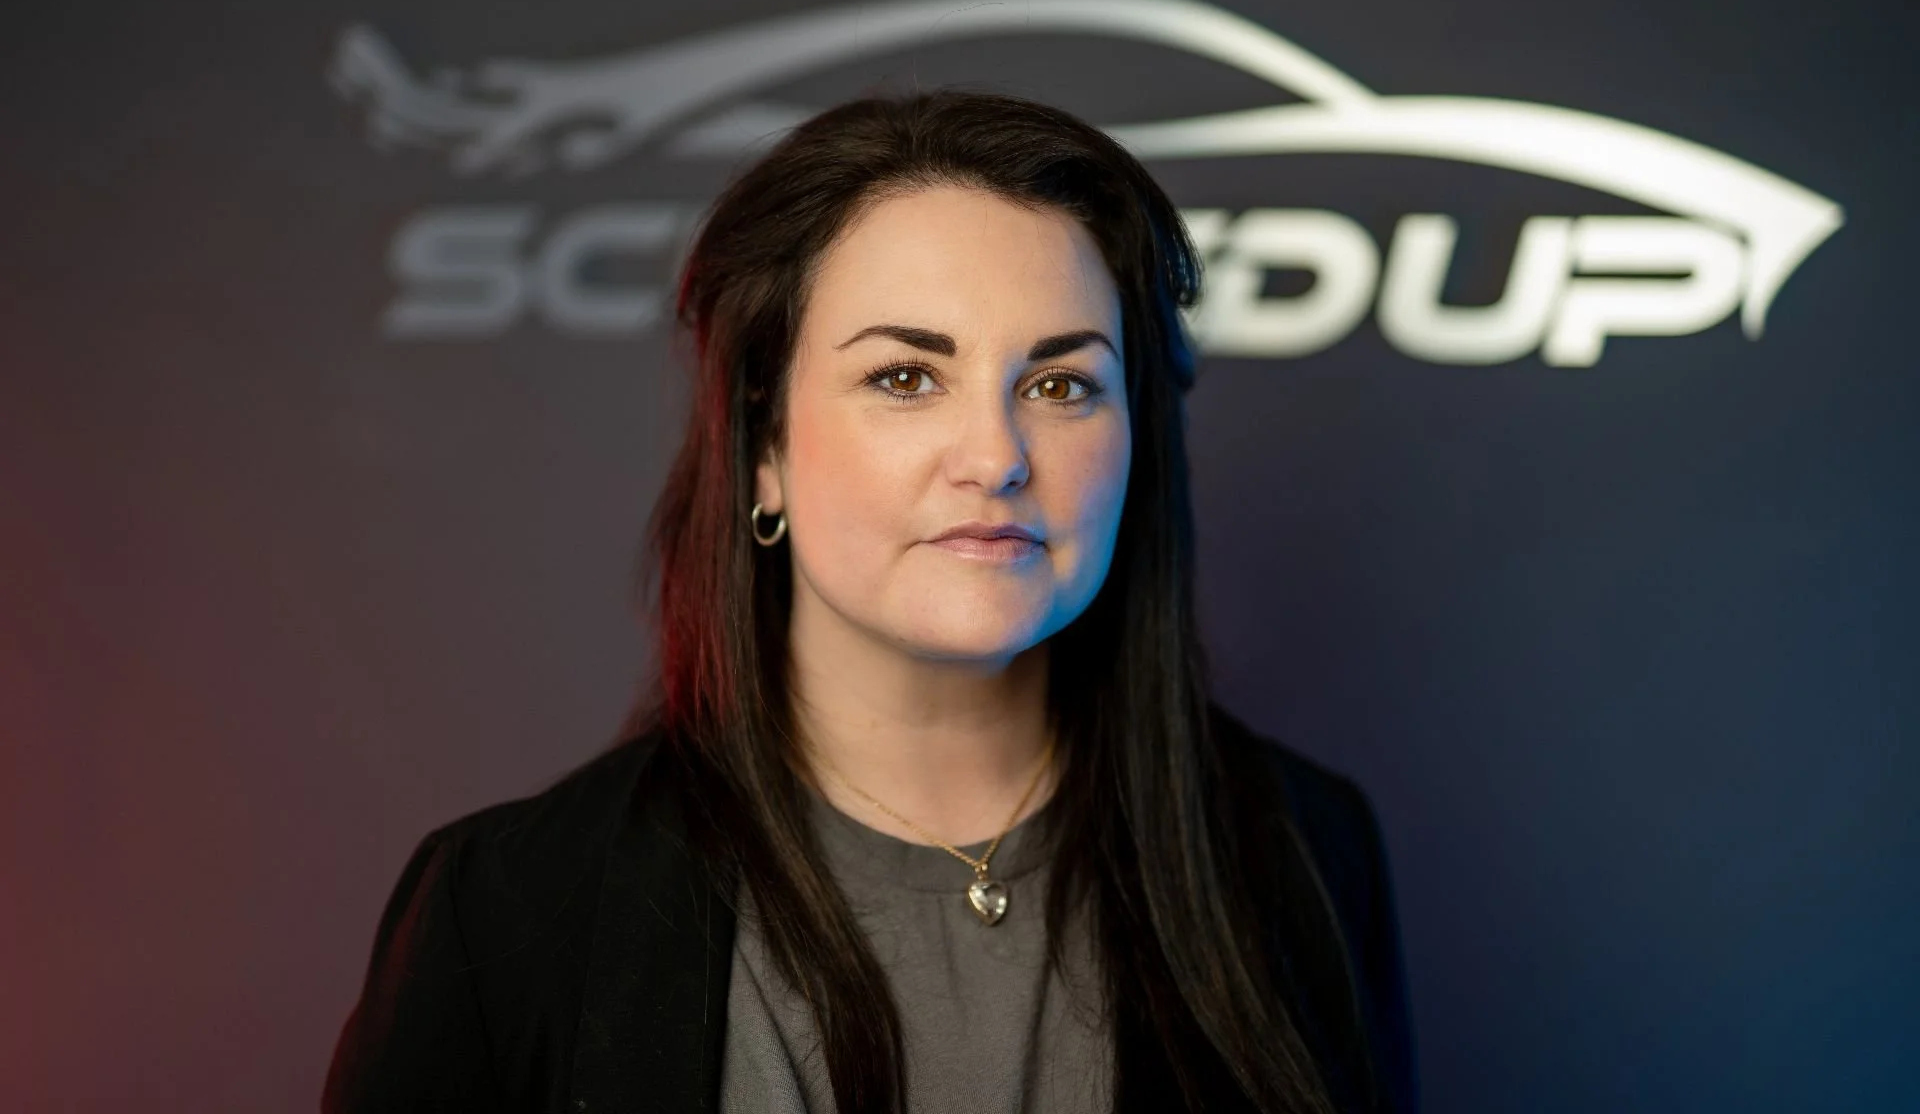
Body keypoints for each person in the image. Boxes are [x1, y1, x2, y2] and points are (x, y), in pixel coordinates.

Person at [323, 91, 1417, 1114]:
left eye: (1060, 384)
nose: (995, 455)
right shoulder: (509, 910)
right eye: (905, 377)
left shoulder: (1299, 851)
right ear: (763, 450)